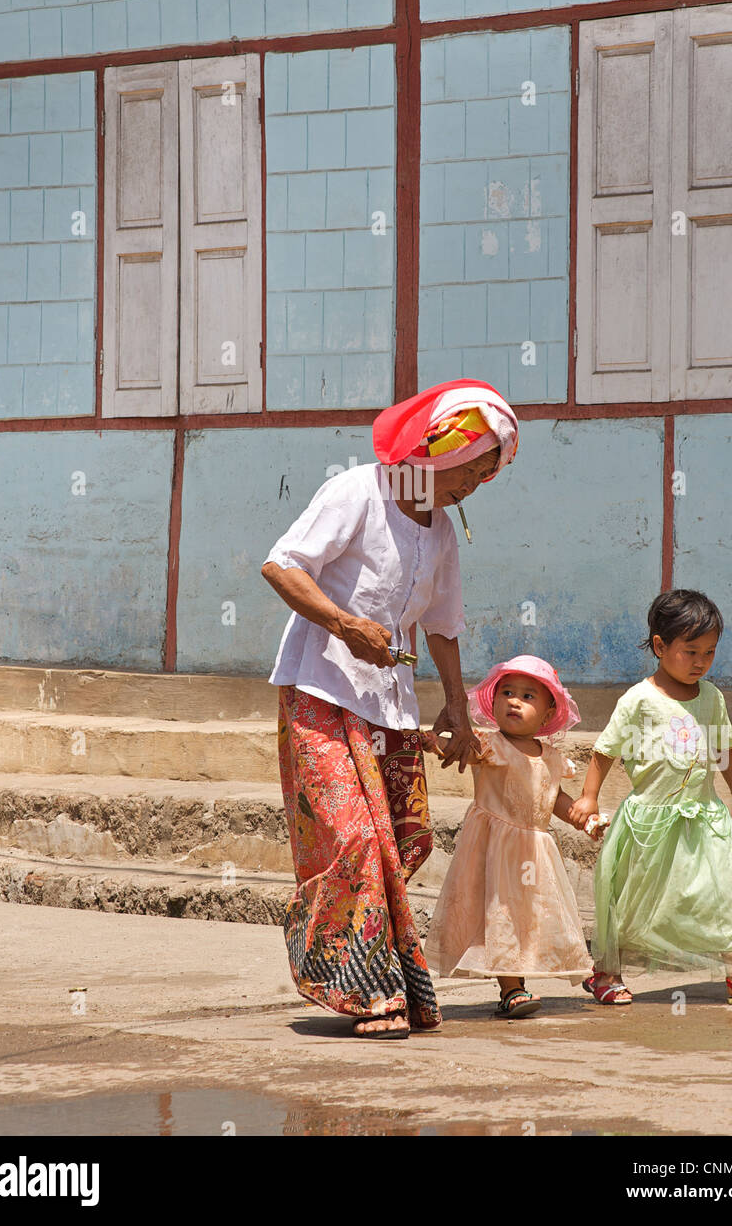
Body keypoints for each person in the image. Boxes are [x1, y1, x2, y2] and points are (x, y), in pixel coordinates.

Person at [261, 380, 519, 1039]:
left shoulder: (441, 534)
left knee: (399, 844)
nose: (478, 484)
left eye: (491, 475)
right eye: (476, 467)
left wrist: (457, 711)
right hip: (322, 689)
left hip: (391, 707)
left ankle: (389, 984)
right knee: (350, 838)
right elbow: (282, 565)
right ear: (439, 447)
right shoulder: (357, 491)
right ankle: (362, 990)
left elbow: (442, 625)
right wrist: (345, 624)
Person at [569, 589, 732, 1006]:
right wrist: (589, 798)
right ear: (660, 646)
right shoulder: (639, 700)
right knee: (632, 901)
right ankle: (606, 973)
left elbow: (722, 745)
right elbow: (605, 750)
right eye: (691, 651)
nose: (701, 661)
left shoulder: (712, 698)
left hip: (705, 818)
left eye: (710, 652)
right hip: (649, 823)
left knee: (726, 887)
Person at [424, 656, 594, 1017]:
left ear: (548, 715)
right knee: (500, 915)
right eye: (507, 692)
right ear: (494, 701)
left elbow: (553, 799)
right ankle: (512, 988)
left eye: (528, 696)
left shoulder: (551, 757)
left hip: (533, 854)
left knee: (527, 917)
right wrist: (433, 742)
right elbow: (463, 751)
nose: (515, 701)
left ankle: (578, 971)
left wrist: (581, 817)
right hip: (493, 849)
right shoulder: (492, 746)